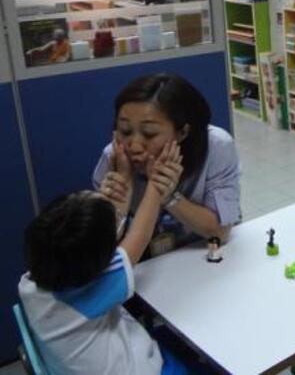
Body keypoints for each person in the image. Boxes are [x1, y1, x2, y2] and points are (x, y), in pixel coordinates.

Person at [18, 146, 198, 373]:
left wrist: (123, 179)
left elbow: (101, 240)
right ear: (101, 263)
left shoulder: (35, 279)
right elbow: (139, 235)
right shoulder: (90, 294)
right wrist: (156, 183)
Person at [93, 73, 241, 256]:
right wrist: (116, 206)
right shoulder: (115, 157)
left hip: (199, 254)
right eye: (125, 131)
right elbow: (101, 250)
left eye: (149, 133)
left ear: (183, 132)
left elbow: (220, 232)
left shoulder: (217, 147)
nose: (135, 146)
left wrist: (170, 197)